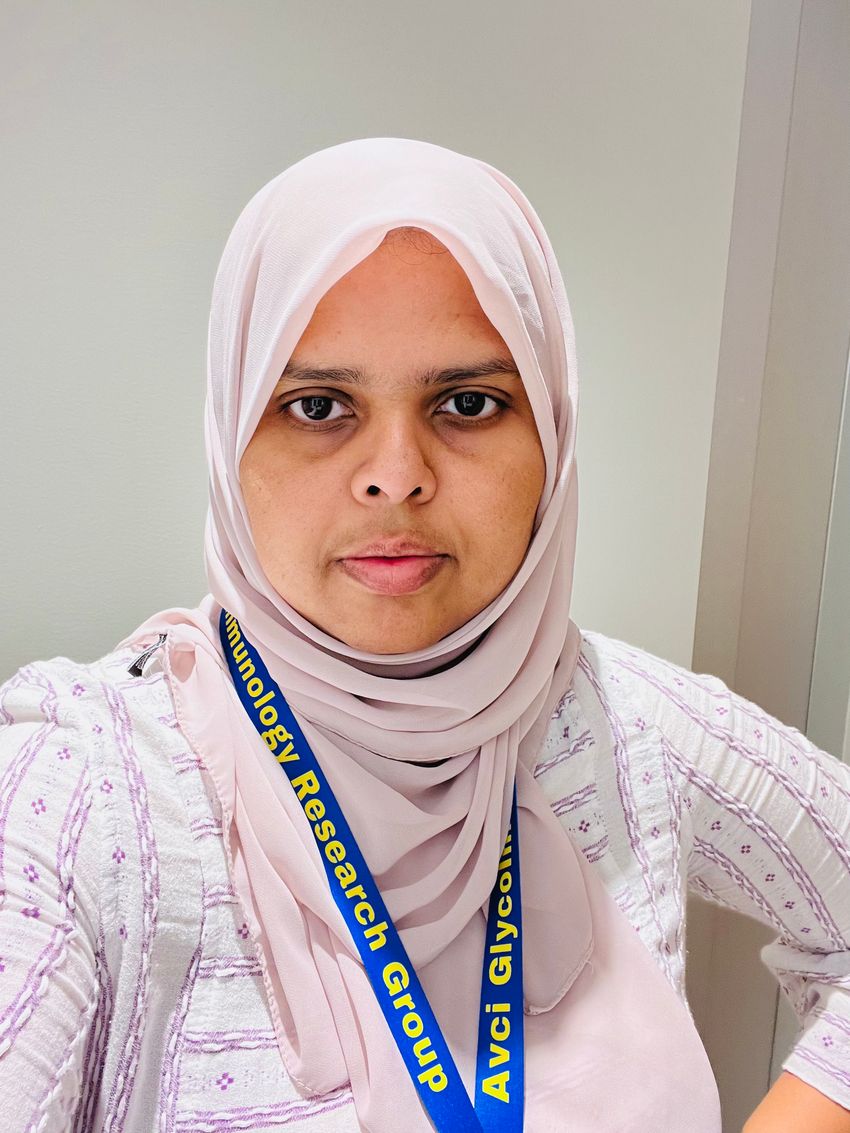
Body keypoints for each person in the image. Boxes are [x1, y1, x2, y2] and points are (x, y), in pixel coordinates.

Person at [0, 137, 848, 1133]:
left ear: (553, 438)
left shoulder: (625, 723)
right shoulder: (85, 789)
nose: (394, 473)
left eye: (467, 402)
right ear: (232, 434)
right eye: (318, 405)